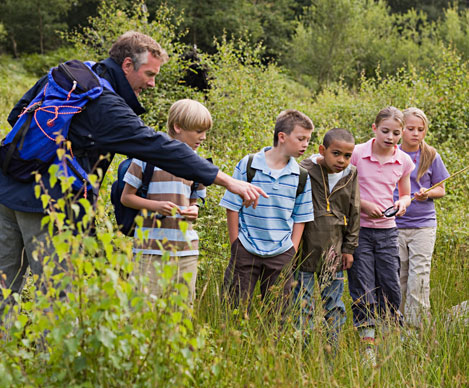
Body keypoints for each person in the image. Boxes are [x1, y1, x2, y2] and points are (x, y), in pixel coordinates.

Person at [0, 31, 265, 316]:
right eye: (149, 74)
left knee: (4, 287)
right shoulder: (107, 105)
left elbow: (16, 114)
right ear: (127, 65)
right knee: (56, 296)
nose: (152, 83)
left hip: (6, 187)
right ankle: (49, 361)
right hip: (47, 204)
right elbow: (161, 147)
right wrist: (226, 180)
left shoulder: (72, 74)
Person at [220, 109, 315, 312]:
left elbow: (301, 217)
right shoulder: (249, 165)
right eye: (301, 138)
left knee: (278, 314)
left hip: (281, 253)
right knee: (233, 308)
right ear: (282, 137)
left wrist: (292, 250)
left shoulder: (301, 176)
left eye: (308, 139)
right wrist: (236, 243)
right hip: (245, 248)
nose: (306, 144)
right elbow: (231, 206)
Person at [121, 99, 211, 303]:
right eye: (198, 131)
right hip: (149, 250)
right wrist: (156, 206)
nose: (203, 137)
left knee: (181, 314)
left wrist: (193, 210)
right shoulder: (146, 158)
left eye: (205, 132)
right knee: (143, 309)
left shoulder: (198, 164)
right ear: (178, 127)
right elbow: (127, 197)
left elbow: (196, 201)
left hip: (186, 250)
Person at [348, 106, 414, 356]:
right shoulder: (356, 154)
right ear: (374, 129)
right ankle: (367, 344)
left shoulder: (403, 160)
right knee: (363, 285)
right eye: (385, 131)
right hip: (360, 230)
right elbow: (344, 188)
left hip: (387, 231)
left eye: (396, 133)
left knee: (390, 285)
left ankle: (389, 338)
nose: (390, 137)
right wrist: (364, 205)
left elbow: (406, 193)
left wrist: (402, 204)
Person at [294, 128, 359, 343]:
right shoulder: (303, 170)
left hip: (334, 251)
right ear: (322, 150)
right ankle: (303, 351)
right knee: (303, 306)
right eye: (336, 153)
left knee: (334, 304)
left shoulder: (351, 174)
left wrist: (349, 249)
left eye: (347, 156)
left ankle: (333, 353)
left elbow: (354, 211)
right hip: (303, 251)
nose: (342, 160)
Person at [393, 107, 449, 327]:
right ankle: (397, 324)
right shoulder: (393, 153)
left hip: (423, 226)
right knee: (399, 276)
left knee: (420, 276)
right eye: (410, 129)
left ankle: (417, 327)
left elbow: (441, 189)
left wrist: (427, 194)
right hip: (395, 224)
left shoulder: (431, 155)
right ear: (401, 130)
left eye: (420, 129)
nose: (415, 133)